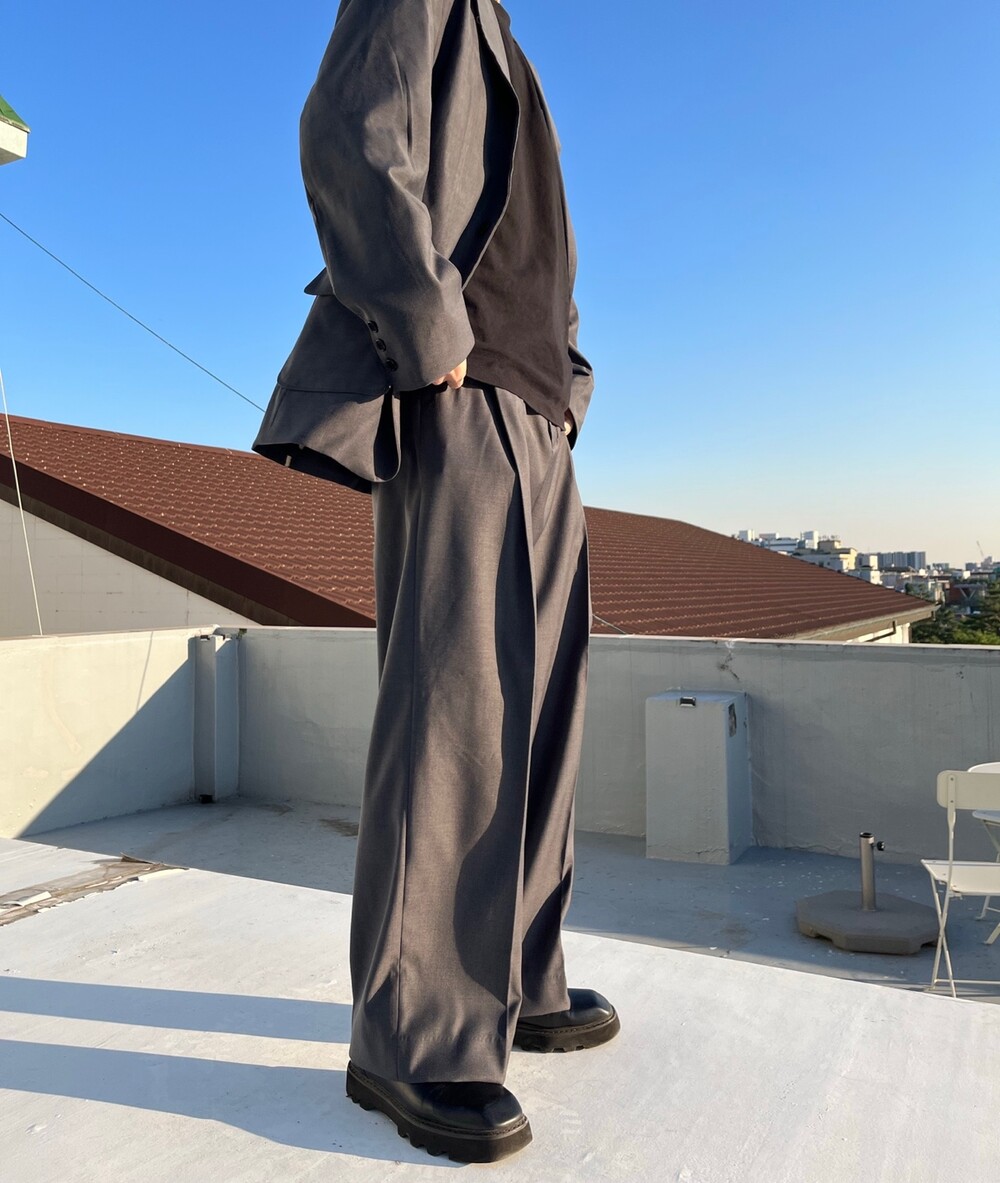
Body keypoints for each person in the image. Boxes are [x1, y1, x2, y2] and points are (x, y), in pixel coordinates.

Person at [253, 0, 618, 1162]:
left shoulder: (509, 42)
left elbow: (535, 238)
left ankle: (517, 977)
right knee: (455, 711)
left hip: (539, 413)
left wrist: (571, 382)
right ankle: (411, 1037)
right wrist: (430, 331)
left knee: (544, 708)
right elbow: (346, 131)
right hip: (462, 395)